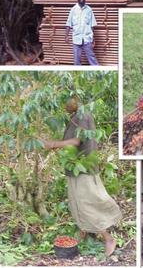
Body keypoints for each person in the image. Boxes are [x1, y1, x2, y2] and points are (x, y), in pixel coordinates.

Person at [42, 97, 121, 256]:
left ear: (75, 99)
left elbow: (76, 141)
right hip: (77, 168)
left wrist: (52, 144)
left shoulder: (82, 115)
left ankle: (108, 238)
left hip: (83, 169)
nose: (63, 106)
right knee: (77, 202)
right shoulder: (77, 115)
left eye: (65, 101)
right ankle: (84, 232)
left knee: (87, 205)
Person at [65, 0, 99, 65]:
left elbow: (92, 25)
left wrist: (94, 38)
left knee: (92, 58)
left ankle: (98, 71)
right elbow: (68, 24)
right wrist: (66, 36)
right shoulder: (73, 10)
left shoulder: (89, 10)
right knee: (77, 60)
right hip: (76, 39)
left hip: (87, 38)